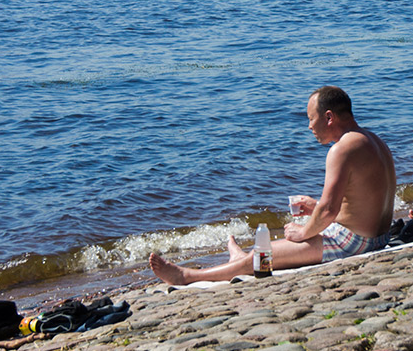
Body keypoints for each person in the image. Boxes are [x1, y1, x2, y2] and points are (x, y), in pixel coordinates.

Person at [149, 86, 396, 284]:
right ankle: (237, 259)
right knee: (264, 249)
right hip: (378, 237)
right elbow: (362, 202)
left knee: (262, 256)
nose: (309, 126)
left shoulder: (341, 149)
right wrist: (314, 206)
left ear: (328, 117)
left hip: (353, 243)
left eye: (311, 118)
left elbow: (329, 211)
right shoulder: (373, 140)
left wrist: (303, 232)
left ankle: (188, 276)